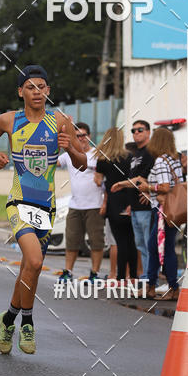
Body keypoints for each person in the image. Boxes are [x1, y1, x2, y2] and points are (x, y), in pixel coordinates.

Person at [0, 65, 87, 355]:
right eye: (30, 87)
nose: (37, 92)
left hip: (46, 206)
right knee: (35, 262)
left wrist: (70, 149)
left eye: (41, 87)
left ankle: (7, 320)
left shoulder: (60, 121)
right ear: (20, 92)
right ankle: (27, 323)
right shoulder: (8, 120)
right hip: (19, 201)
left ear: (48, 90)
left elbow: (83, 163)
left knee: (29, 269)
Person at [132, 127, 183, 301]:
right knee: (157, 247)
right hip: (174, 210)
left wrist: (147, 187)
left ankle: (172, 287)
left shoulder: (161, 161)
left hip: (163, 210)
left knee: (162, 248)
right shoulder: (174, 160)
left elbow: (165, 187)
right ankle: (152, 286)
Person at [56, 122, 105, 284]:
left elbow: (107, 177)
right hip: (75, 205)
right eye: (77, 136)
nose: (81, 139)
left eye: (84, 135)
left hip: (95, 205)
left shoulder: (97, 155)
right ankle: (67, 272)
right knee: (71, 241)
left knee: (96, 242)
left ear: (89, 137)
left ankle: (94, 274)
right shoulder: (70, 154)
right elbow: (53, 162)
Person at [111, 120, 153, 280]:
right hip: (135, 206)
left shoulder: (151, 152)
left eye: (140, 130)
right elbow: (135, 177)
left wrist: (121, 184)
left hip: (146, 207)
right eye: (133, 130)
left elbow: (142, 179)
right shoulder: (136, 153)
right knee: (141, 245)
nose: (136, 133)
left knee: (148, 245)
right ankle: (147, 277)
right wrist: (130, 203)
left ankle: (150, 278)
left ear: (148, 132)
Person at [95, 128, 137, 281]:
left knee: (119, 241)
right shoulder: (130, 157)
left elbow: (98, 181)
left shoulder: (103, 159)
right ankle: (132, 276)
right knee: (131, 240)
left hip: (113, 201)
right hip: (130, 200)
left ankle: (119, 276)